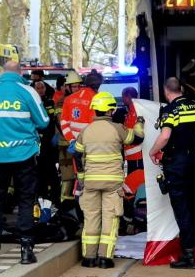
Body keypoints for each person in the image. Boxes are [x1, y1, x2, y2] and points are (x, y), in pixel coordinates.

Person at [0, 61, 49, 264]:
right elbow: (43, 121)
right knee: (25, 201)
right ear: (20, 73)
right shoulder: (28, 92)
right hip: (24, 155)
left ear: (2, 73)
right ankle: (25, 250)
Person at [148, 77, 195, 269]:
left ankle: (188, 256)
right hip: (193, 164)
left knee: (183, 211)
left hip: (176, 165)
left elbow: (165, 136)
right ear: (180, 89)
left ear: (166, 91)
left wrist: (152, 151)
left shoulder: (170, 110)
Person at [73, 92, 144, 269]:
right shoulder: (117, 128)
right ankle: (105, 258)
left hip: (90, 182)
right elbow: (137, 138)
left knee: (91, 218)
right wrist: (140, 124)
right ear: (110, 110)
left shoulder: (85, 131)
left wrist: (82, 179)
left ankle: (89, 258)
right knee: (110, 218)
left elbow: (77, 154)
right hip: (112, 183)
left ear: (95, 110)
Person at [57, 70, 95, 206]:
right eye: (73, 86)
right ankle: (73, 202)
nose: (76, 89)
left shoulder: (84, 98)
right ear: (67, 87)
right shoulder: (66, 101)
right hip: (71, 145)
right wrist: (72, 140)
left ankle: (80, 200)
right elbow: (63, 122)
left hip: (83, 144)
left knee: (82, 175)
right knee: (72, 175)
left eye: (78, 86)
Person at [35, 80, 60, 203]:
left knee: (52, 171)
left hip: (50, 142)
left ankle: (54, 198)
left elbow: (55, 120)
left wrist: (57, 135)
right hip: (37, 142)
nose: (40, 90)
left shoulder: (50, 102)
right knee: (39, 172)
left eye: (42, 87)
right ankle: (41, 196)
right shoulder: (32, 103)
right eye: (38, 88)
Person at [112, 87, 143, 174]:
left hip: (137, 155)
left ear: (128, 97)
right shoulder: (130, 112)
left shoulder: (137, 112)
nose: (122, 99)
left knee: (136, 182)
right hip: (131, 155)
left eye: (123, 96)